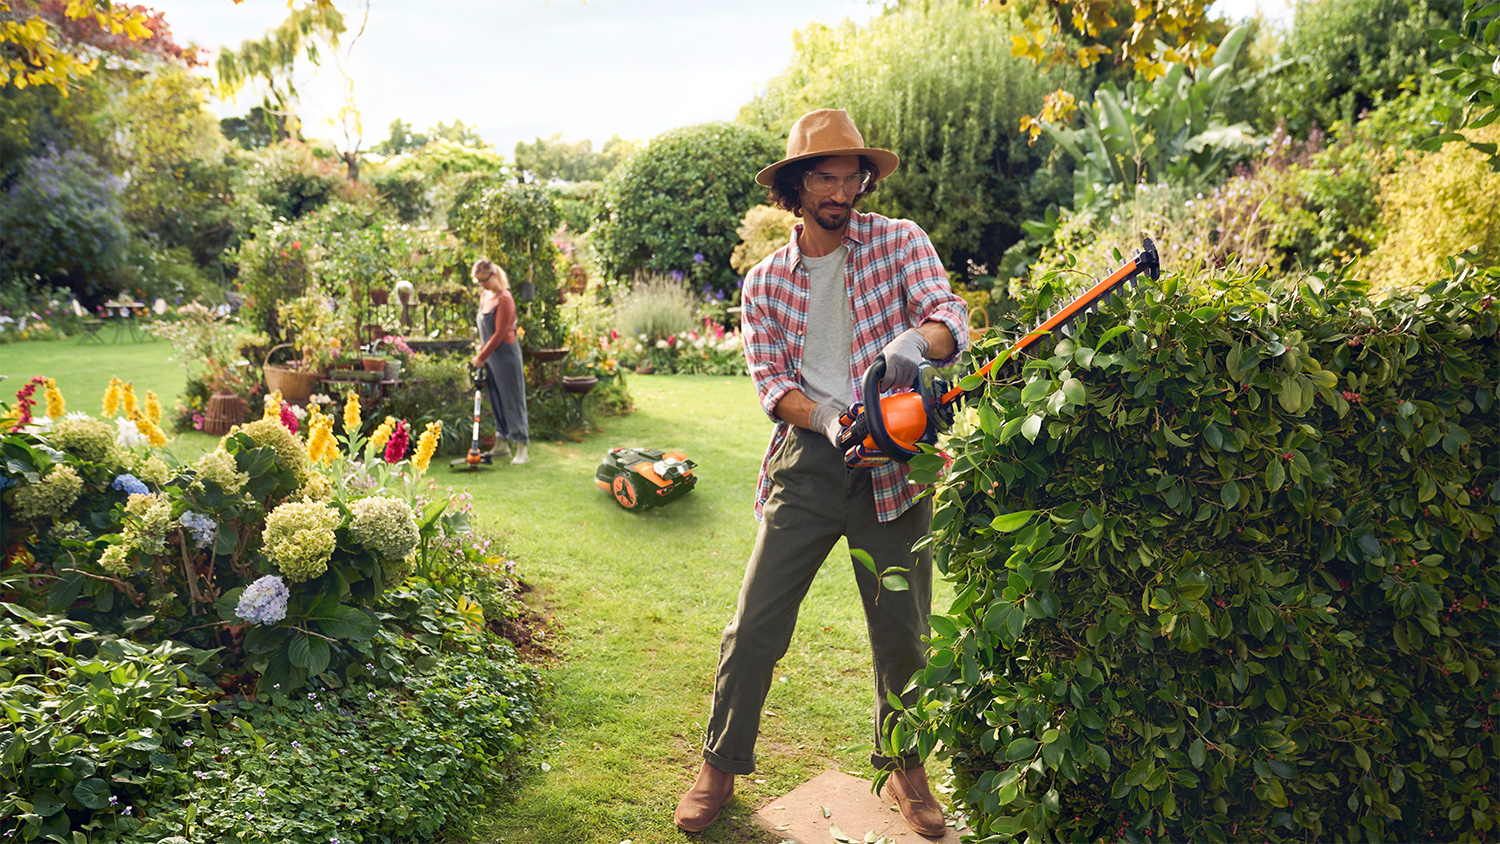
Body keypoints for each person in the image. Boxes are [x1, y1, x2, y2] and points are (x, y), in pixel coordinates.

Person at [674, 109, 968, 837]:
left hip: (895, 465)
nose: (841, 192)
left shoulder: (900, 242)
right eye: (825, 178)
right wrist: (830, 420)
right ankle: (718, 765)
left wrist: (915, 341)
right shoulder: (766, 282)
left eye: (851, 177)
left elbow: (949, 317)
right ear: (797, 188)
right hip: (808, 465)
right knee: (754, 628)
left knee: (903, 637)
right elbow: (773, 384)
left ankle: (905, 772)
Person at [470, 258, 529, 465]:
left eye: (483, 281)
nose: (481, 285)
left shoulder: (505, 299)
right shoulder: (485, 296)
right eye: (478, 282)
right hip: (490, 358)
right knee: (496, 400)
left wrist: (481, 357)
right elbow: (484, 333)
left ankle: (522, 448)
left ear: (493, 275)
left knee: (513, 400)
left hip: (506, 357)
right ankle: (502, 443)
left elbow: (499, 333)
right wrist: (482, 353)